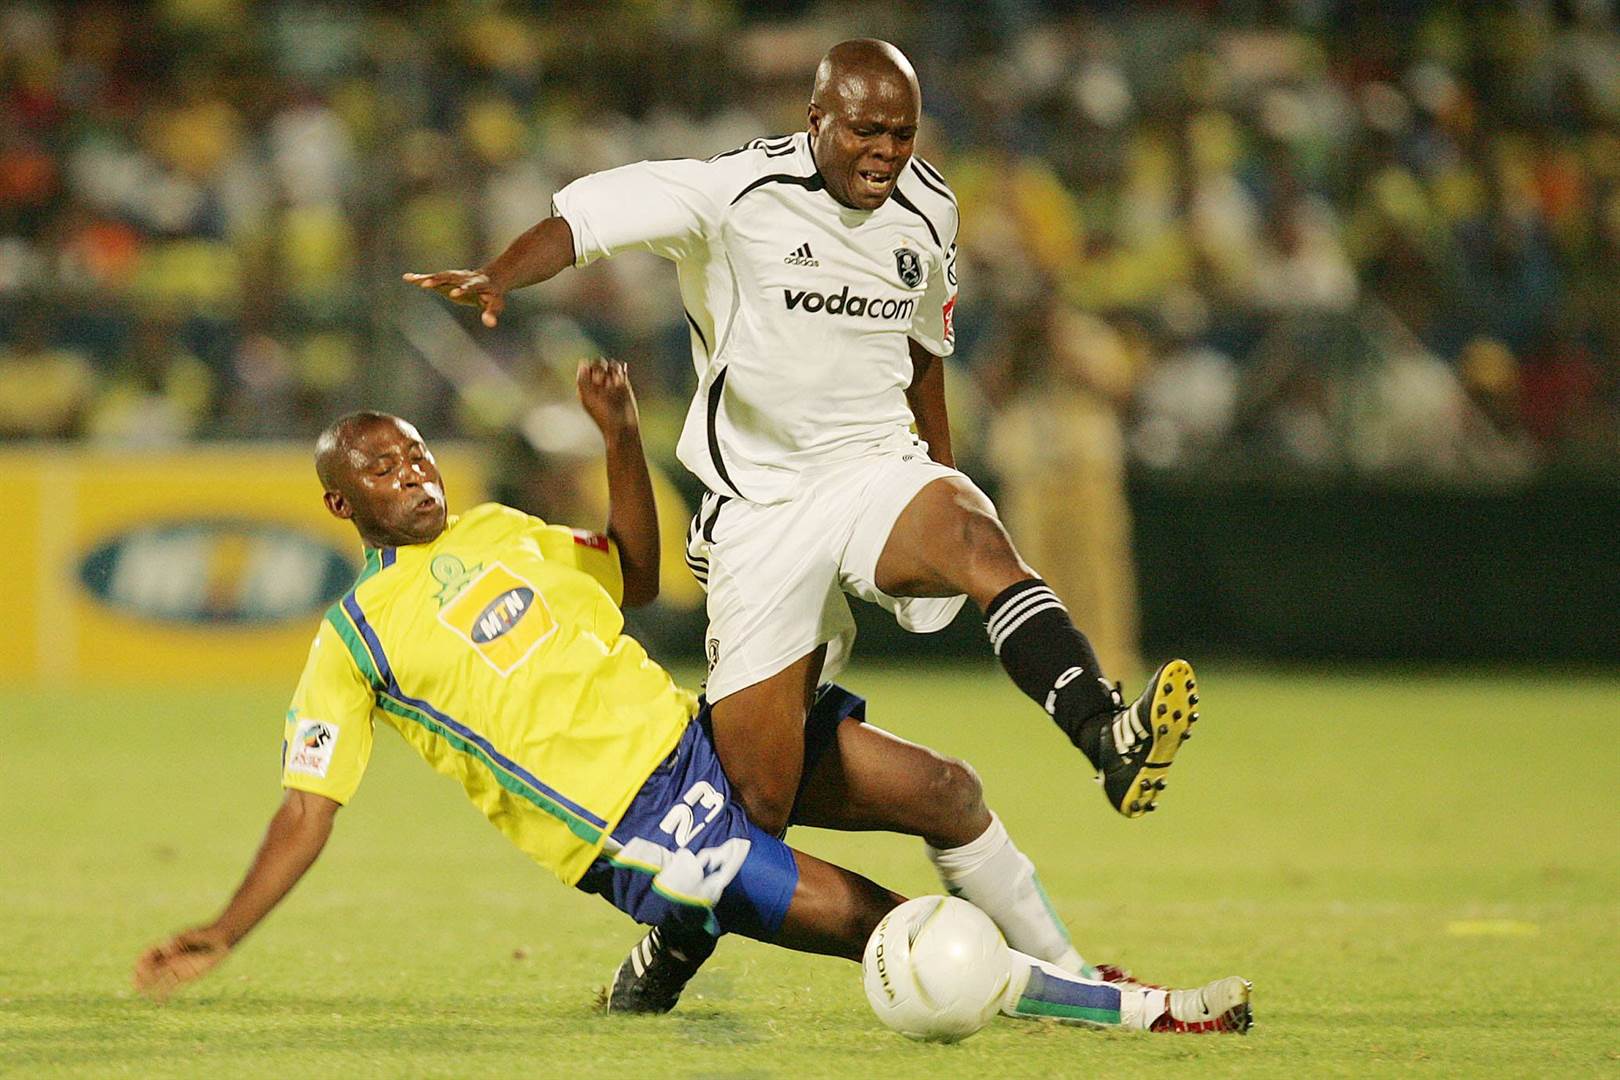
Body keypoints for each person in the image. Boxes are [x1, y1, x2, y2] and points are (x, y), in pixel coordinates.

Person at [131, 360, 1252, 1036]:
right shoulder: (353, 640)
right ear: (341, 502)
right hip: (644, 834)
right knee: (896, 931)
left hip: (702, 739)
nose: (414, 473)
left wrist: (623, 441)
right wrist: (224, 931)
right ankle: (1148, 1014)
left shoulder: (499, 533)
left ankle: (1066, 969)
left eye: (418, 454)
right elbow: (306, 809)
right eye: (382, 467)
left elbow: (634, 572)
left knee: (948, 790)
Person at [403, 39, 1200, 852]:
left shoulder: (931, 210)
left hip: (871, 468)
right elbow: (590, 222)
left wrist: (941, 472)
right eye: (866, 131)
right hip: (763, 508)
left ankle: (1103, 732)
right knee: (758, 794)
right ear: (816, 119)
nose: (887, 151)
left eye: (903, 133)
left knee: (974, 534)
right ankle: (669, 946)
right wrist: (501, 273)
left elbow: (925, 353)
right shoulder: (734, 192)